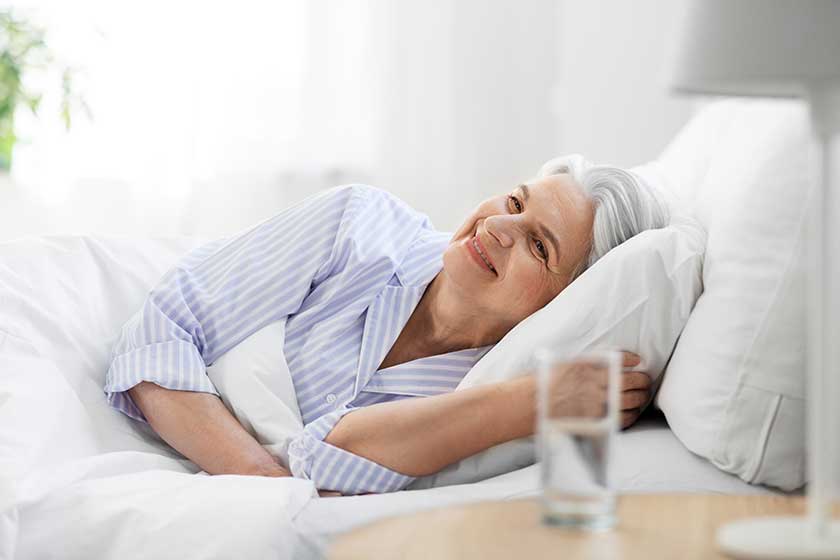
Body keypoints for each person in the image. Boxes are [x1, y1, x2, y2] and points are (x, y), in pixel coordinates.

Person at [104, 154, 669, 496]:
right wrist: (261, 483)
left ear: (571, 299)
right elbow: (159, 334)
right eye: (516, 201)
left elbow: (330, 458)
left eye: (539, 245)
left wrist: (536, 401)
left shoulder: (486, 386)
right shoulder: (357, 224)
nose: (498, 225)